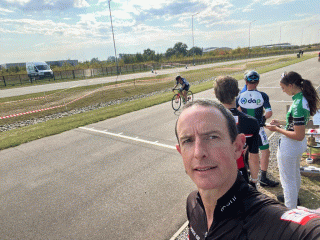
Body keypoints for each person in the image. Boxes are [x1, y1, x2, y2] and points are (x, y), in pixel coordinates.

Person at [175, 99, 320, 240]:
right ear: (180, 152)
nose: (198, 153)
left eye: (212, 137)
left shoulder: (269, 221)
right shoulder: (193, 202)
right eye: (187, 140)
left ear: (238, 147)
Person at [265, 71, 320, 209]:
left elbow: (299, 134)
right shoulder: (302, 98)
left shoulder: (297, 105)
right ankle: (293, 203)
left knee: (287, 181)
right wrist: (281, 122)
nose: (283, 91)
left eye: (283, 88)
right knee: (294, 176)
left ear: (290, 85)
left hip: (290, 146)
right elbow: (296, 124)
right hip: (297, 146)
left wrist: (277, 129)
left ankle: (291, 212)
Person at [214, 76, 260, 187]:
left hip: (216, 174)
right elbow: (253, 157)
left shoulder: (209, 121)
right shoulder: (251, 122)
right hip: (240, 173)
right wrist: (254, 180)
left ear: (216, 95)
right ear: (237, 93)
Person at [236, 70, 279, 187]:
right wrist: (263, 118)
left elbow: (237, 112)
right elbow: (269, 112)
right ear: (258, 82)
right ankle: (263, 177)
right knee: (265, 151)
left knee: (242, 151)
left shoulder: (240, 96)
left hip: (243, 129)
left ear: (246, 81)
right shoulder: (263, 95)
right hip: (258, 128)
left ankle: (243, 176)